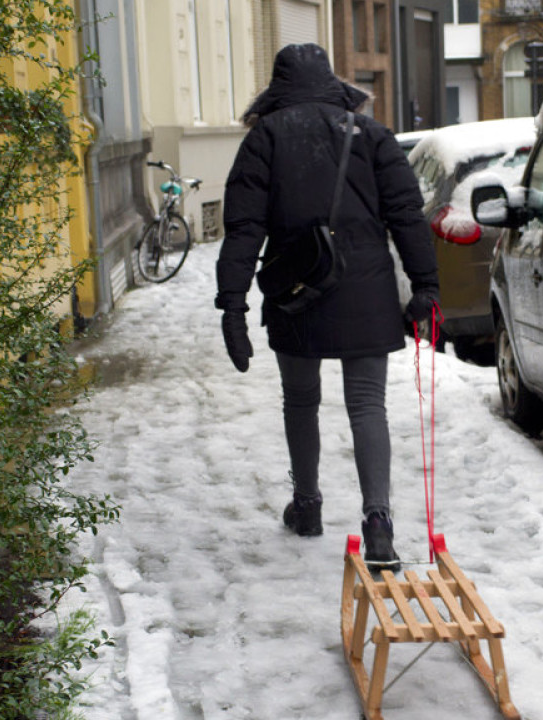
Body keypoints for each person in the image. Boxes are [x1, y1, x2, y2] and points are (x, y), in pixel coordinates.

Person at [215, 44, 438, 573]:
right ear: (333, 84)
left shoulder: (263, 139)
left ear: (277, 88)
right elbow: (407, 214)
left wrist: (233, 305)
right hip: (367, 290)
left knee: (300, 399)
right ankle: (379, 523)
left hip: (297, 292)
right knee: (367, 406)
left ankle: (308, 506)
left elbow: (244, 228)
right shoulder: (373, 135)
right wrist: (425, 285)